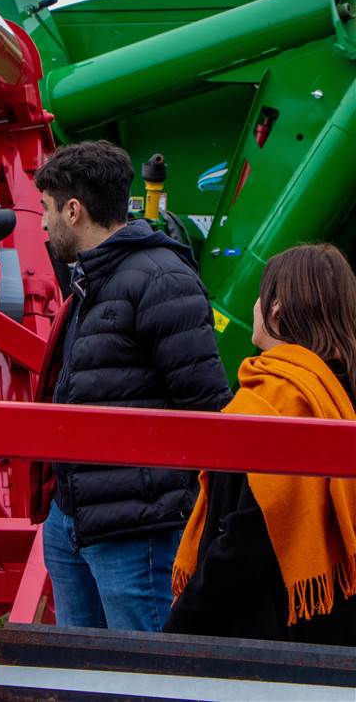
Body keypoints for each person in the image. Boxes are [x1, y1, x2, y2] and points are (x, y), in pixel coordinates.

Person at [32, 140, 233, 631]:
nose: (41, 223)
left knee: (146, 677)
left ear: (73, 210)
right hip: (75, 518)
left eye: (46, 209)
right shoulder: (94, 280)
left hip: (137, 530)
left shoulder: (161, 280)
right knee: (82, 678)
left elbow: (207, 407)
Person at [167, 243, 356, 646]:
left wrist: (184, 620)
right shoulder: (342, 390)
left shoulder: (278, 399)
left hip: (269, 636)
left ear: (275, 310)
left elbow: (247, 538)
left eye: (260, 293)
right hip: (335, 626)